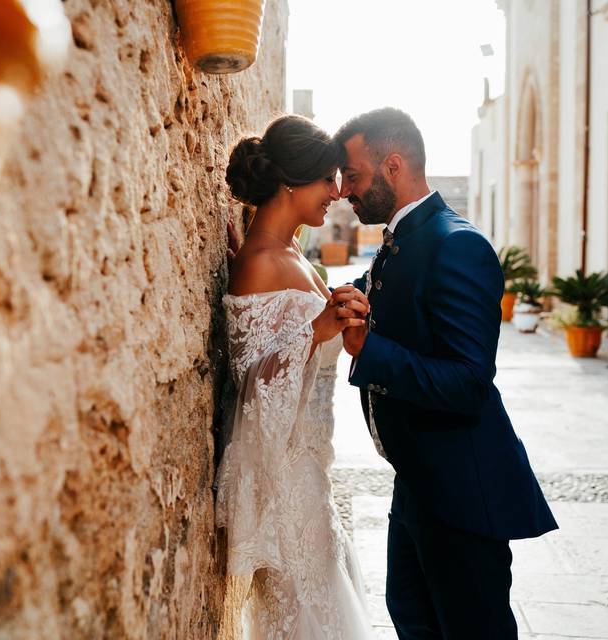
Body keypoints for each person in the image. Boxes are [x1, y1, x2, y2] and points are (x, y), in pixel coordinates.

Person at [334, 107, 558, 639]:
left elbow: (468, 383)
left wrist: (370, 349)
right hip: (416, 480)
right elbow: (364, 295)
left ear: (392, 166)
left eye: (354, 176)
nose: (345, 191)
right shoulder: (400, 241)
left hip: (462, 491)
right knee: (413, 619)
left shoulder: (457, 246)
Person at [216, 114, 377, 639]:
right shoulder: (260, 260)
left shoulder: (287, 253)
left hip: (311, 466)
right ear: (291, 182)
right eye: (327, 178)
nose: (336, 191)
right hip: (284, 479)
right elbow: (248, 383)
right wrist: (316, 329)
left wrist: (341, 321)